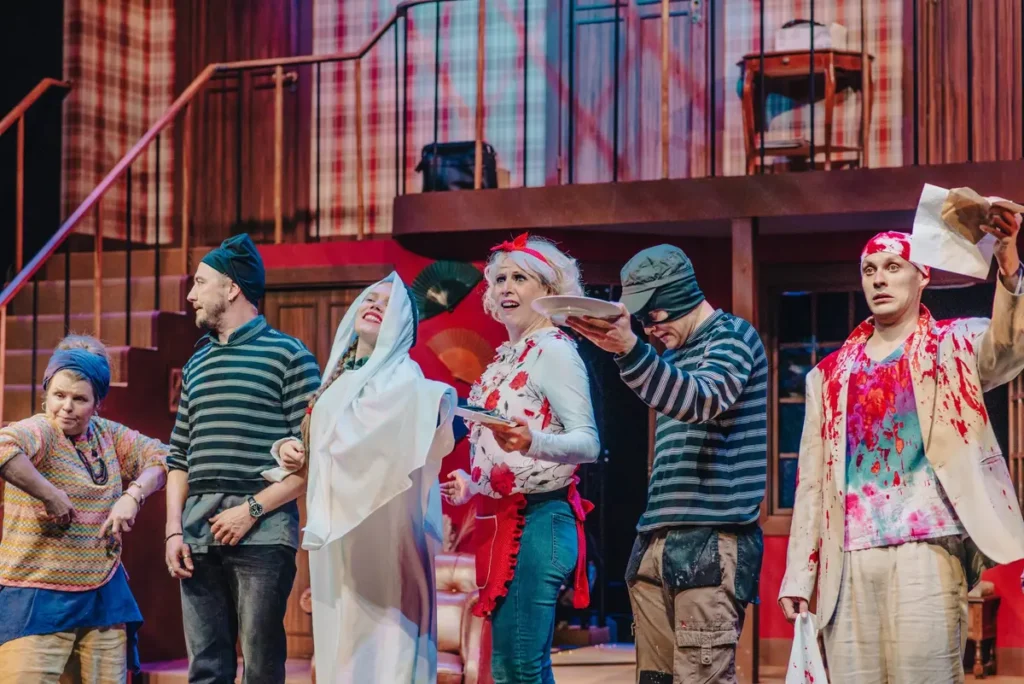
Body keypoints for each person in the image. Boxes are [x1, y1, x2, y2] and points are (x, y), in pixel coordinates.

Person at [778, 218, 1024, 683]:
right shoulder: (828, 375)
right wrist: (799, 575)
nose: (879, 279)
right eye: (869, 270)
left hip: (927, 545)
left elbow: (1008, 347)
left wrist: (1008, 266)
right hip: (849, 555)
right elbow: (811, 483)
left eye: (893, 267)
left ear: (922, 275)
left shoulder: (952, 344)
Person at [566, 244, 768, 684]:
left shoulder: (732, 337)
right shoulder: (673, 356)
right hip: (657, 537)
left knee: (701, 678)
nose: (649, 329)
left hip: (711, 537)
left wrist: (631, 350)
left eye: (652, 315)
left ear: (676, 297)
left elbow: (701, 399)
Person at [275, 272, 457, 682]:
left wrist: (442, 401)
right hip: (338, 536)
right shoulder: (337, 380)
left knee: (388, 641)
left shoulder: (404, 378)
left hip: (383, 532)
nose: (375, 305)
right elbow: (325, 445)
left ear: (401, 324)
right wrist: (290, 449)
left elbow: (420, 416)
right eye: (370, 299)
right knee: (343, 643)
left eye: (387, 304)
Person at [441, 233, 599, 684]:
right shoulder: (508, 357)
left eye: (520, 278)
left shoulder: (554, 351)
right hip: (501, 520)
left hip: (539, 520)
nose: (506, 287)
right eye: (499, 279)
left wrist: (533, 442)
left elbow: (588, 443)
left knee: (520, 667)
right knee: (512, 666)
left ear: (548, 290)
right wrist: (472, 482)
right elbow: (502, 449)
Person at [164, 234, 321, 684]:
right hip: (197, 533)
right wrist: (174, 529)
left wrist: (250, 510)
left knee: (261, 668)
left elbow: (314, 461)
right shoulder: (197, 362)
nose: (191, 295)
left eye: (200, 282)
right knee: (206, 669)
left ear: (232, 288)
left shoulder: (289, 355)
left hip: (262, 532)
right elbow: (179, 456)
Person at [0, 335, 169, 683]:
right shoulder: (41, 431)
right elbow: (3, 446)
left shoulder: (107, 436)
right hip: (38, 596)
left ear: (97, 404)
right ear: (46, 392)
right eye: (58, 395)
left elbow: (164, 456)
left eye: (79, 399)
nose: (66, 407)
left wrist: (133, 495)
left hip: (102, 593)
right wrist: (49, 493)